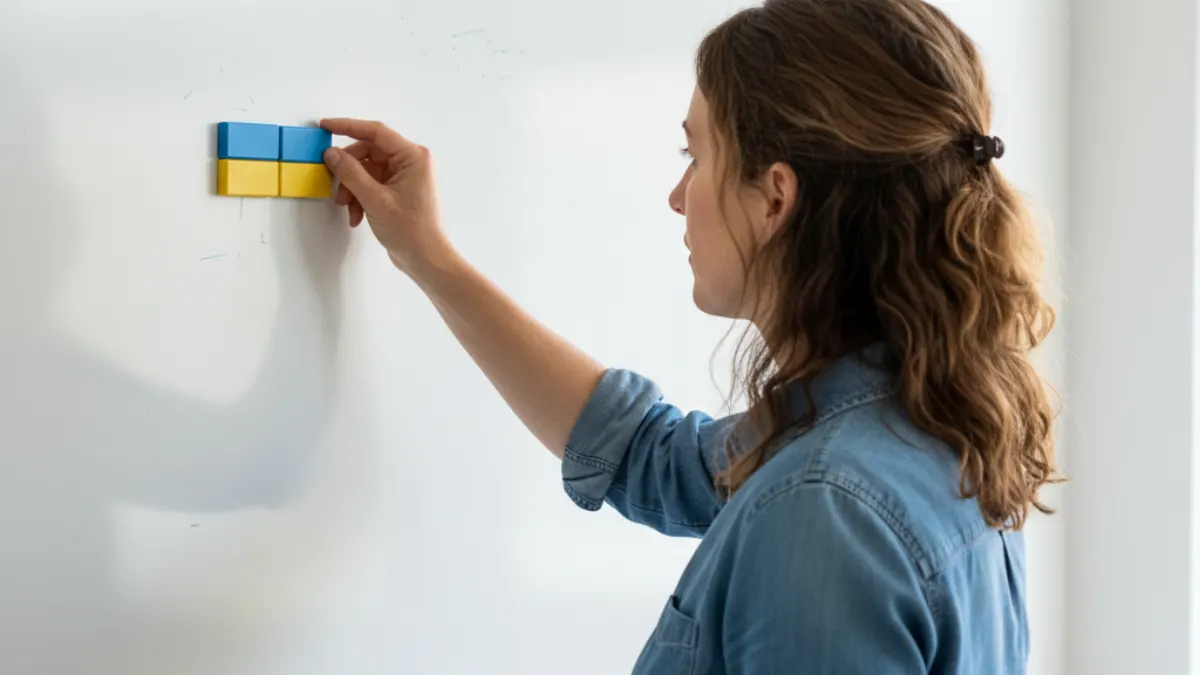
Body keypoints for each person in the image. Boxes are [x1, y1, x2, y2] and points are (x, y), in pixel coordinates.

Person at [317, 0, 1059, 671]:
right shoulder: (915, 429)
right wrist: (429, 257)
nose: (678, 197)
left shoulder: (827, 508)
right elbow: (648, 454)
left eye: (695, 157)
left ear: (775, 198)